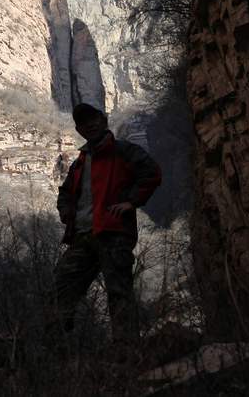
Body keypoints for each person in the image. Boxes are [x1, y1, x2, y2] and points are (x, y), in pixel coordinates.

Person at [53, 102, 162, 353]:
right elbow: (65, 193)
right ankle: (57, 352)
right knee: (61, 287)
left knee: (119, 293)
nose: (89, 126)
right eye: (83, 123)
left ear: (103, 120)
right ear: (79, 130)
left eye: (93, 120)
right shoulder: (80, 162)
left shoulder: (124, 151)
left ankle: (127, 352)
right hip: (81, 236)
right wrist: (66, 212)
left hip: (113, 235)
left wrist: (131, 203)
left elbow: (152, 173)